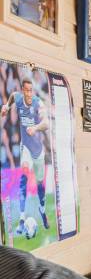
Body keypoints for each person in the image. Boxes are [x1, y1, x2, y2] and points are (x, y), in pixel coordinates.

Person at [0, 77, 49, 235]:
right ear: (23, 90)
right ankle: (21, 220)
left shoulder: (38, 103)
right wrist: (7, 106)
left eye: (30, 91)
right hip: (26, 147)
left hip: (38, 150)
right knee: (24, 174)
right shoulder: (18, 97)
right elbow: (12, 96)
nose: (28, 94)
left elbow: (46, 123)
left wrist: (35, 128)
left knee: (40, 183)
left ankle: (42, 210)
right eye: (26, 90)